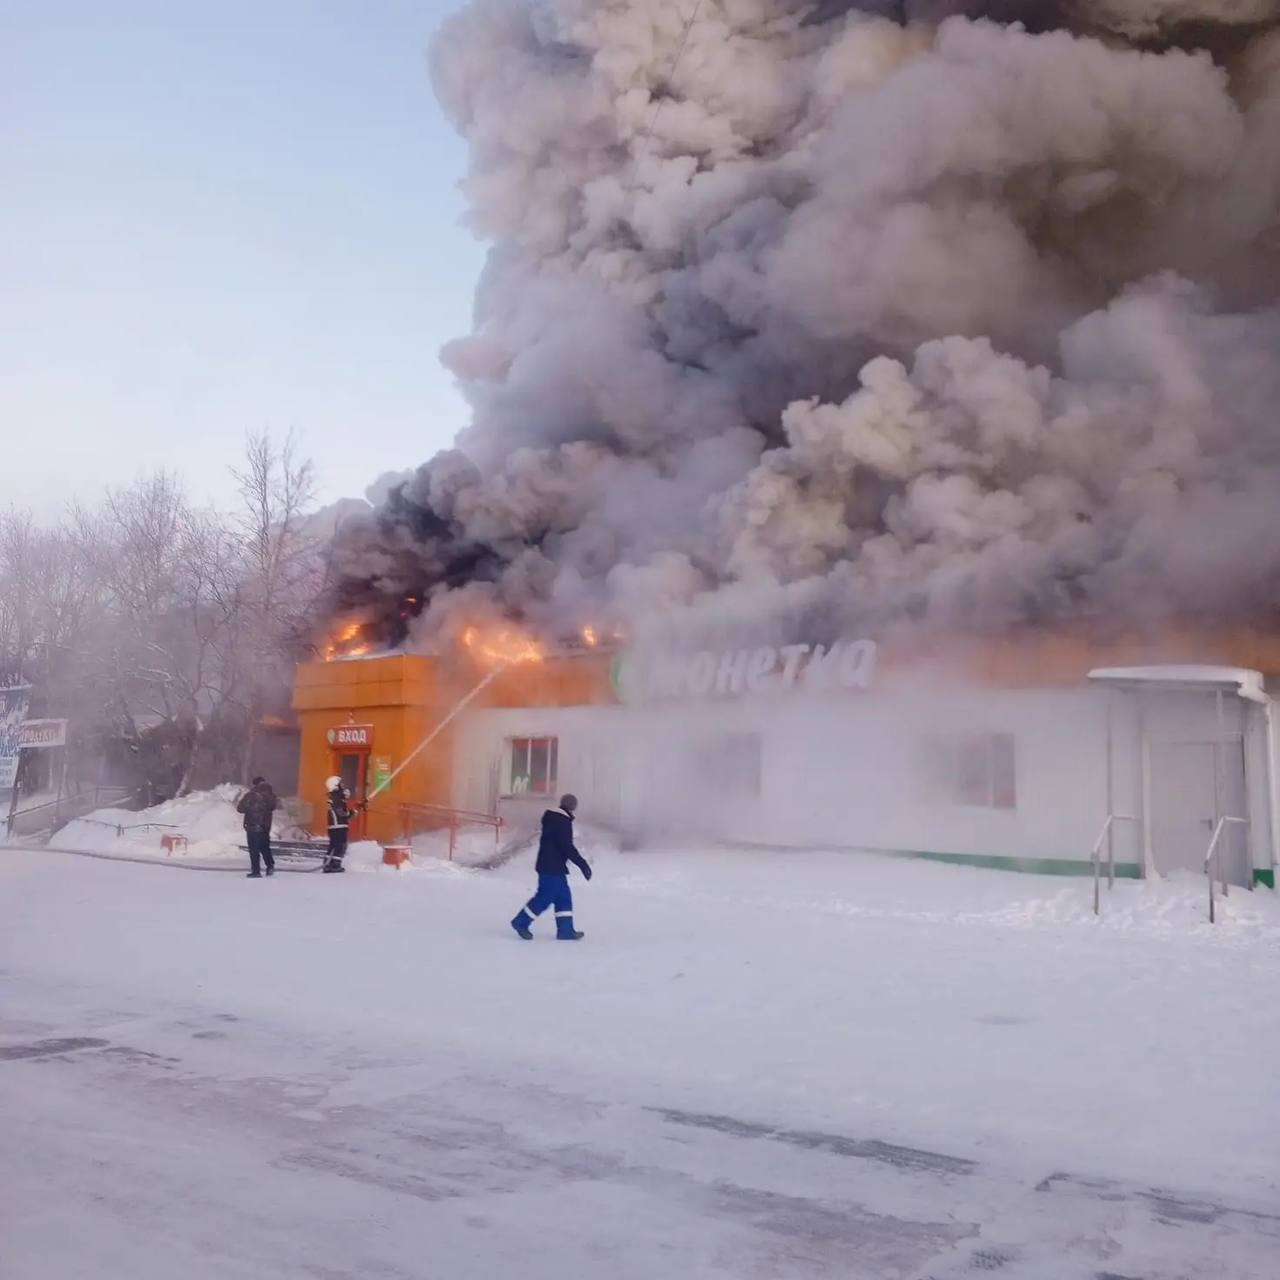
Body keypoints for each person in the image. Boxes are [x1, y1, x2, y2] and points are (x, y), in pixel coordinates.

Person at [510, 793, 591, 940]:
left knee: (563, 897)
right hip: (551, 867)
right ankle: (521, 922)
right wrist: (582, 864)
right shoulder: (562, 821)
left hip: (554, 866)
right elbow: (566, 846)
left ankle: (565, 930)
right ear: (572, 807)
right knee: (544, 897)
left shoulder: (554, 818)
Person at [236, 776, 278, 879]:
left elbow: (240, 808)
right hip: (265, 825)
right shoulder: (271, 795)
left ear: (254, 784)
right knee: (264, 846)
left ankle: (256, 871)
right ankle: (270, 865)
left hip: (252, 825)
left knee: (254, 849)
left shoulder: (250, 795)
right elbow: (273, 807)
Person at [323, 776, 355, 873]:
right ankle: (335, 865)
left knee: (333, 845)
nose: (343, 786)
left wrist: (351, 813)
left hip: (335, 826)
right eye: (340, 784)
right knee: (340, 845)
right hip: (338, 826)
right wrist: (350, 813)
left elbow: (342, 812)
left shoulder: (335, 797)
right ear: (335, 786)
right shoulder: (336, 797)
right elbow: (341, 812)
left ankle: (328, 863)